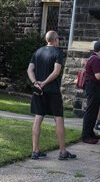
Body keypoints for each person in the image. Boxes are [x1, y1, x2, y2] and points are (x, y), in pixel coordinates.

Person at [27, 30, 76, 160]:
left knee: (38, 117)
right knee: (58, 118)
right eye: (58, 39)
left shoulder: (37, 52)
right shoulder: (58, 53)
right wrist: (44, 83)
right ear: (55, 40)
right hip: (52, 90)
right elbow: (56, 72)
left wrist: (35, 83)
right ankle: (62, 152)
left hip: (39, 90)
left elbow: (30, 69)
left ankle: (35, 151)